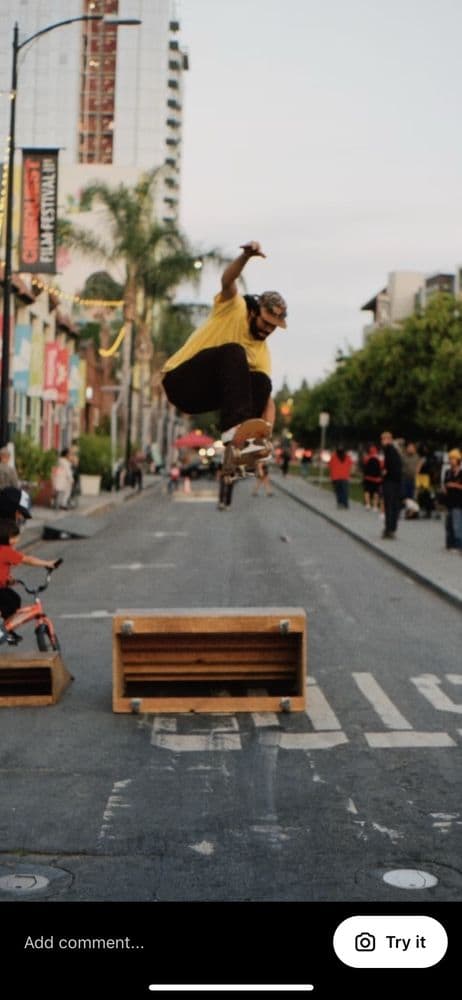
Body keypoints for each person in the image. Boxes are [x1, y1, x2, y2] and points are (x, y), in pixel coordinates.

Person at [161, 241, 287, 465]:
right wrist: (245, 257)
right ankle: (233, 431)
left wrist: (264, 436)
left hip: (202, 396)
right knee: (234, 352)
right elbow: (227, 280)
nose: (267, 330)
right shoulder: (234, 308)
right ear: (254, 312)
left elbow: (267, 401)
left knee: (261, 381)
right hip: (180, 380)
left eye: (272, 328)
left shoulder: (262, 353)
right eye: (265, 323)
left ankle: (242, 451)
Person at [0, 519, 58, 644]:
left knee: (13, 599)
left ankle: (5, 631)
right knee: (11, 601)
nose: (17, 539)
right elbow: (27, 559)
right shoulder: (5, 550)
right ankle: (4, 631)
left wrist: (7, 580)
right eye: (14, 537)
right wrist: (47, 563)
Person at [380, 430, 403, 539]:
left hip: (391, 482)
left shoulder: (390, 450)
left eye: (383, 439)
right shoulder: (392, 450)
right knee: (393, 506)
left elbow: (393, 467)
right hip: (395, 482)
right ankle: (391, 528)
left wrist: (386, 472)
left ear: (389, 439)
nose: (382, 441)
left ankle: (389, 529)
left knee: (389, 506)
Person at [440, 448, 462, 551]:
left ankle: (458, 545)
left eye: (453, 459)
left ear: (458, 460)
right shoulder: (448, 472)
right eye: (450, 459)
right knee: (448, 524)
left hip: (458, 501)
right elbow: (444, 483)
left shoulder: (461, 473)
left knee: (457, 524)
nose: (451, 461)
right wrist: (444, 488)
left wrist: (454, 485)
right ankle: (449, 543)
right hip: (449, 501)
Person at [362, 444, 382, 510]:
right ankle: (375, 506)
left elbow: (364, 467)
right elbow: (382, 467)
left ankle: (368, 504)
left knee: (367, 491)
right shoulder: (379, 458)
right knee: (376, 492)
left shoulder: (367, 458)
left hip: (368, 478)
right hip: (377, 479)